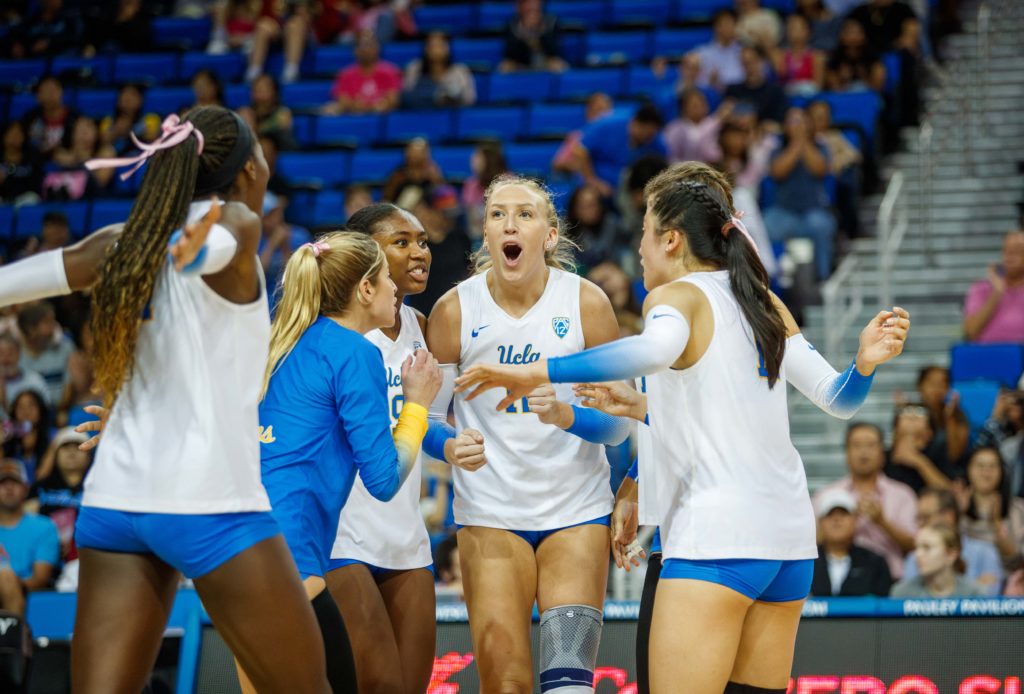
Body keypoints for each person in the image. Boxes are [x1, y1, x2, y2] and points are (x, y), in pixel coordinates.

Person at [454, 163, 910, 693]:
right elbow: (839, 399)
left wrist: (537, 370)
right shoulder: (763, 299)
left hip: (716, 542)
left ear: (670, 239)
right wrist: (865, 363)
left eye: (645, 233)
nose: (640, 249)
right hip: (788, 549)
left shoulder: (676, 296)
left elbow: (653, 350)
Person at [19, 106, 332, 693]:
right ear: (243, 175)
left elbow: (22, 278)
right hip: (211, 504)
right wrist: (198, 249)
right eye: (261, 154)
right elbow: (225, 234)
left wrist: (194, 249)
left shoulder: (122, 242)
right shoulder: (237, 220)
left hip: (116, 504)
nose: (267, 166)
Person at [426, 175, 631, 693]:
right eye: (497, 214)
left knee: (567, 685)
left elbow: (620, 423)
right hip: (490, 515)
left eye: (524, 213)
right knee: (507, 684)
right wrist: (449, 446)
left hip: (576, 513)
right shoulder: (453, 312)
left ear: (550, 234)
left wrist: (568, 418)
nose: (509, 223)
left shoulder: (587, 304)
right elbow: (426, 419)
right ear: (486, 233)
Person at [257, 227, 446, 692]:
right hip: (294, 554)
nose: (395, 287)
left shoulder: (287, 342)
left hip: (244, 552)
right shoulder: (355, 352)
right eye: (386, 277)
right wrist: (417, 403)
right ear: (365, 289)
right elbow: (383, 480)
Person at [325, 204, 486, 693]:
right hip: (340, 532)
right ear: (366, 254)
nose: (420, 251)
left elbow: (424, 420)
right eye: (402, 242)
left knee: (411, 686)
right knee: (374, 681)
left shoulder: (423, 325)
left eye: (422, 241)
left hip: (405, 534)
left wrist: (450, 444)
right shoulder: (330, 331)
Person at [814, 422, 916, 579]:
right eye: (856, 445)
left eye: (871, 445)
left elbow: (914, 545)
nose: (863, 452)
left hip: (891, 582)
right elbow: (808, 545)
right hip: (836, 585)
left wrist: (882, 522)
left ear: (883, 453)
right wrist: (839, 524)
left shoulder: (903, 495)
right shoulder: (826, 495)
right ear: (846, 453)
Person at [763, 107, 837, 281]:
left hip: (812, 212)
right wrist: (796, 144)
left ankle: (822, 278)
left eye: (802, 121)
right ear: (785, 126)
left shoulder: (820, 147)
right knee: (765, 226)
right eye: (793, 121)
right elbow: (778, 172)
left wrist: (804, 142)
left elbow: (819, 169)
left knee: (823, 226)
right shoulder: (777, 149)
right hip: (784, 212)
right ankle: (773, 279)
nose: (798, 126)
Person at [903, 488, 1003, 595]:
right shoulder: (914, 557)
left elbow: (988, 599)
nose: (921, 524)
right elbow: (909, 595)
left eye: (926, 517)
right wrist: (973, 586)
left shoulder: (985, 552)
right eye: (919, 518)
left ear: (948, 517)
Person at [0, 459, 59, 617]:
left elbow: (40, 580)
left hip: (22, 593)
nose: (9, 488)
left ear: (26, 489)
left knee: (5, 576)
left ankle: (12, 641)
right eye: (3, 483)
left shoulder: (44, 526)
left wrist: (7, 583)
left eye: (15, 482)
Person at [810, 488, 892, 596]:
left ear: (856, 520)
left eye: (843, 513)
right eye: (830, 514)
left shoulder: (875, 562)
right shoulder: (806, 562)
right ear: (820, 522)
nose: (837, 519)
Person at [574, 104, 667, 199]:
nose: (647, 138)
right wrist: (593, 181)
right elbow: (581, 150)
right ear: (635, 123)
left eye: (651, 135)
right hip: (599, 188)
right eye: (646, 133)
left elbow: (663, 165)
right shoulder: (608, 125)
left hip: (630, 193)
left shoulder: (655, 141)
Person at [27, 426, 91, 563]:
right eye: (65, 447)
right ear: (55, 455)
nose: (72, 452)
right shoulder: (40, 487)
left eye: (79, 446)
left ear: (88, 456)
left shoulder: (99, 487)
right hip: (43, 557)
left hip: (88, 557)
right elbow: (25, 522)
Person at [959, 446, 1024, 564]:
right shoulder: (957, 504)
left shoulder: (1018, 508)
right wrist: (958, 514)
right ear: (968, 469)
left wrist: (997, 524)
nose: (986, 472)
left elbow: (1017, 560)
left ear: (1002, 472)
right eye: (980, 465)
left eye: (992, 466)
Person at [963, 229, 1024, 343]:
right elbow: (970, 333)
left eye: (1017, 251)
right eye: (1006, 250)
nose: (1009, 257)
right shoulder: (981, 289)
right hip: (988, 357)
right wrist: (997, 292)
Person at [891, 524, 986, 598]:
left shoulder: (974, 594)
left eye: (927, 547)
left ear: (950, 555)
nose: (917, 554)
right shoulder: (902, 593)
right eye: (917, 548)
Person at [325, 30, 402, 115]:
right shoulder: (346, 74)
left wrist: (382, 105)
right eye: (362, 46)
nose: (366, 50)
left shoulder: (390, 71)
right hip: (354, 118)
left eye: (370, 46)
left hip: (382, 118)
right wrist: (354, 105)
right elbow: (342, 99)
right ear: (355, 51)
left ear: (377, 48)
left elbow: (394, 99)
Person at [884, 405, 955, 494]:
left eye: (920, 412)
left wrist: (919, 462)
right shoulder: (882, 457)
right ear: (896, 429)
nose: (912, 415)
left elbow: (948, 494)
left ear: (929, 432)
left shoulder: (938, 455)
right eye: (906, 412)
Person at [15, 302, 74, 406]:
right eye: (48, 322)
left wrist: (61, 409)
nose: (54, 327)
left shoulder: (65, 348)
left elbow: (69, 385)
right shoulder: (13, 355)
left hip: (61, 410)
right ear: (31, 329)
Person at [46, 116, 118, 200]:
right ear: (72, 134)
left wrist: (83, 160)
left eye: (87, 129)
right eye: (79, 129)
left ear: (96, 132)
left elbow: (101, 181)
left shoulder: (106, 152)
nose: (83, 133)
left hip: (94, 197)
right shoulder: (61, 153)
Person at [402, 30, 476, 109]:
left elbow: (469, 99)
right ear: (425, 48)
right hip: (421, 115)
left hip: (450, 115)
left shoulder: (460, 71)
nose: (436, 50)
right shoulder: (414, 68)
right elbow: (407, 96)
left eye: (440, 45)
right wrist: (435, 98)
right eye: (432, 45)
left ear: (447, 48)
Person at [913, 365, 969, 465]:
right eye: (932, 384)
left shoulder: (957, 415)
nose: (937, 389)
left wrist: (949, 419)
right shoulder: (911, 413)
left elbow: (955, 456)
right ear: (920, 386)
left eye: (942, 384)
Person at [244, 0, 309, 84]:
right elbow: (259, 16)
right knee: (263, 25)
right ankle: (254, 71)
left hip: (299, 31)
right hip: (275, 30)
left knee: (295, 24)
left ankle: (291, 70)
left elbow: (306, 15)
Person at [723, 45, 788, 127]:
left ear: (761, 61)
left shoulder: (775, 91)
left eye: (752, 61)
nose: (748, 66)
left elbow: (779, 121)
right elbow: (725, 117)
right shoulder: (732, 90)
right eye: (744, 63)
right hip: (738, 134)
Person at [552, 92, 613, 177]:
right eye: (598, 110)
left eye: (606, 110)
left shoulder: (620, 138)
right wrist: (582, 166)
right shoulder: (578, 136)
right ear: (588, 112)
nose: (602, 115)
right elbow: (557, 164)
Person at [664, 90, 733, 165]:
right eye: (695, 105)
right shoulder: (675, 129)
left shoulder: (714, 124)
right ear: (684, 108)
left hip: (712, 168)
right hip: (684, 171)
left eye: (702, 104)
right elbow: (671, 157)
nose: (700, 108)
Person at [683, 9, 745, 92]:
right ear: (716, 27)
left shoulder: (744, 52)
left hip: (741, 95)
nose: (729, 27)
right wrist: (711, 82)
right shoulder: (702, 53)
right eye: (725, 24)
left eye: (732, 23)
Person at [20, 75, 79, 160]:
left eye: (53, 90)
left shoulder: (75, 118)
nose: (50, 95)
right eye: (45, 91)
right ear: (38, 96)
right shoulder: (29, 118)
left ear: (61, 92)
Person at [499, 0, 567, 73]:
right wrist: (524, 32)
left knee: (558, 65)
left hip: (546, 62)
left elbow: (553, 50)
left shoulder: (551, 22)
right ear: (519, 7)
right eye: (527, 3)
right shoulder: (512, 24)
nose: (531, 6)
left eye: (534, 2)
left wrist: (539, 31)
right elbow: (511, 53)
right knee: (505, 66)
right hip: (521, 63)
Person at [462, 141, 509, 240]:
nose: (472, 160)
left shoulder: (509, 183)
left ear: (489, 159)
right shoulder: (471, 184)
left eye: (477, 157)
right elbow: (472, 223)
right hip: (480, 238)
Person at [4, 390, 52, 484]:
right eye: (20, 406)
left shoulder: (53, 436)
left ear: (40, 409)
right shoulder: (8, 438)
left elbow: (42, 478)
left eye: (31, 405)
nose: (26, 411)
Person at [99, 84, 162, 156]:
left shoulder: (150, 119)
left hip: (142, 155)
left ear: (140, 100)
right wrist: (115, 132)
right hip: (117, 157)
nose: (127, 98)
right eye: (124, 94)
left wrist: (128, 130)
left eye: (132, 95)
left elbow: (152, 138)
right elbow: (103, 141)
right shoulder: (109, 121)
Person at [825, 19, 886, 92]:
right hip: (842, 96)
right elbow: (833, 86)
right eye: (849, 32)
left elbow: (877, 88)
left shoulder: (873, 57)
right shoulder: (835, 57)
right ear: (841, 35)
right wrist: (842, 80)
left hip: (867, 95)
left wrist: (864, 78)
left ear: (864, 35)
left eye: (857, 32)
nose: (853, 37)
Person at [238, 74, 296, 151]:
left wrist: (258, 129)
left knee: (266, 146)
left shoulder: (283, 112)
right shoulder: (247, 112)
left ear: (274, 91)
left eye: (264, 88)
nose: (259, 92)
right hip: (251, 147)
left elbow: (282, 131)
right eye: (256, 89)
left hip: (277, 147)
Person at [382, 138, 445, 208]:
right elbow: (387, 199)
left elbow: (445, 198)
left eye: (420, 153)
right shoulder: (398, 175)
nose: (415, 156)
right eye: (412, 152)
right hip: (403, 212)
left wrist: (436, 180)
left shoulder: (434, 175)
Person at [773, 13, 825, 95]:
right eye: (790, 27)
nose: (793, 30)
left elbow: (818, 88)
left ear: (808, 31)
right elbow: (780, 78)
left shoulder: (817, 56)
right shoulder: (780, 55)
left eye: (797, 27)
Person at [0, 121, 44, 204]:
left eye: (19, 133)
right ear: (4, 136)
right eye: (12, 133)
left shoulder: (32, 157)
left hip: (23, 198)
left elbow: (36, 184)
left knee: (32, 198)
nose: (16, 137)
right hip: (2, 197)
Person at [0, 336, 49, 410]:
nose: (6, 358)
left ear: (19, 354)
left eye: (10, 352)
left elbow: (45, 408)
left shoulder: (34, 380)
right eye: (1, 353)